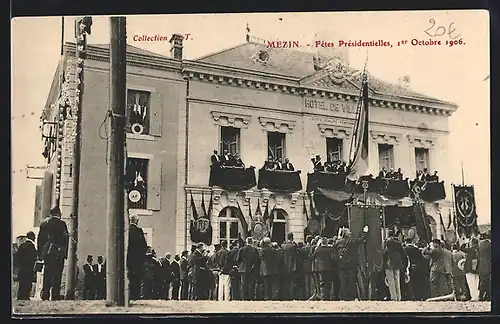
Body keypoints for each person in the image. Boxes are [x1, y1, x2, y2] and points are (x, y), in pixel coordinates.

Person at [37, 207, 69, 301]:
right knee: (57, 275)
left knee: (47, 274)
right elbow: (65, 240)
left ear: (51, 214)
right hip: (58, 254)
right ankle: (55, 295)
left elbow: (40, 241)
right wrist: (65, 254)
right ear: (59, 214)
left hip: (47, 253)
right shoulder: (62, 224)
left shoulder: (44, 224)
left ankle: (45, 295)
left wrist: (40, 255)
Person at [334, 227, 367, 300]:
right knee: (351, 282)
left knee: (343, 282)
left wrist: (338, 260)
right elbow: (361, 240)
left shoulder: (338, 242)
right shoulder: (352, 241)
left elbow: (333, 253)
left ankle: (344, 297)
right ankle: (351, 297)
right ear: (347, 234)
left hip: (341, 265)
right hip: (352, 265)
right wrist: (364, 231)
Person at [382, 230, 408, 301]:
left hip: (389, 262)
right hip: (398, 262)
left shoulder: (387, 242)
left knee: (391, 280)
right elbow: (403, 254)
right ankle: (398, 297)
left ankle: (393, 297)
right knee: (397, 280)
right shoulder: (398, 243)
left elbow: (384, 252)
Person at [127, 215, 147, 300]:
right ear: (136, 221)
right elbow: (144, 246)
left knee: (129, 278)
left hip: (128, 259)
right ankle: (135, 297)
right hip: (137, 261)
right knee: (136, 279)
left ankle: (129, 297)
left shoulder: (126, 231)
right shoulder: (139, 231)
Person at [16, 231, 37, 300]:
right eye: (34, 237)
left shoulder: (22, 245)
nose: (35, 238)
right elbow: (33, 256)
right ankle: (25, 296)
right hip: (28, 268)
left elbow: (17, 256)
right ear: (32, 237)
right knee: (28, 283)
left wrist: (20, 265)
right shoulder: (31, 246)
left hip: (22, 268)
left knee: (22, 283)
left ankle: (20, 296)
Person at [281, 233, 298, 300]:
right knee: (292, 282)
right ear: (292, 238)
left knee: (285, 282)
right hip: (292, 266)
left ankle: (285, 296)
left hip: (285, 266)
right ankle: (291, 296)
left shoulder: (283, 246)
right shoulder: (293, 246)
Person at [299, 235, 315, 300]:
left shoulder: (303, 249)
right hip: (312, 266)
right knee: (312, 283)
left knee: (306, 283)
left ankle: (306, 295)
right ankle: (311, 295)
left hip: (305, 266)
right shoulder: (313, 248)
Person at [478, 231, 491, 301]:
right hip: (488, 266)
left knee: (482, 281)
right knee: (488, 282)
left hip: (482, 266)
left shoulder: (481, 244)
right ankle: (488, 296)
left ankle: (481, 296)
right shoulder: (490, 244)